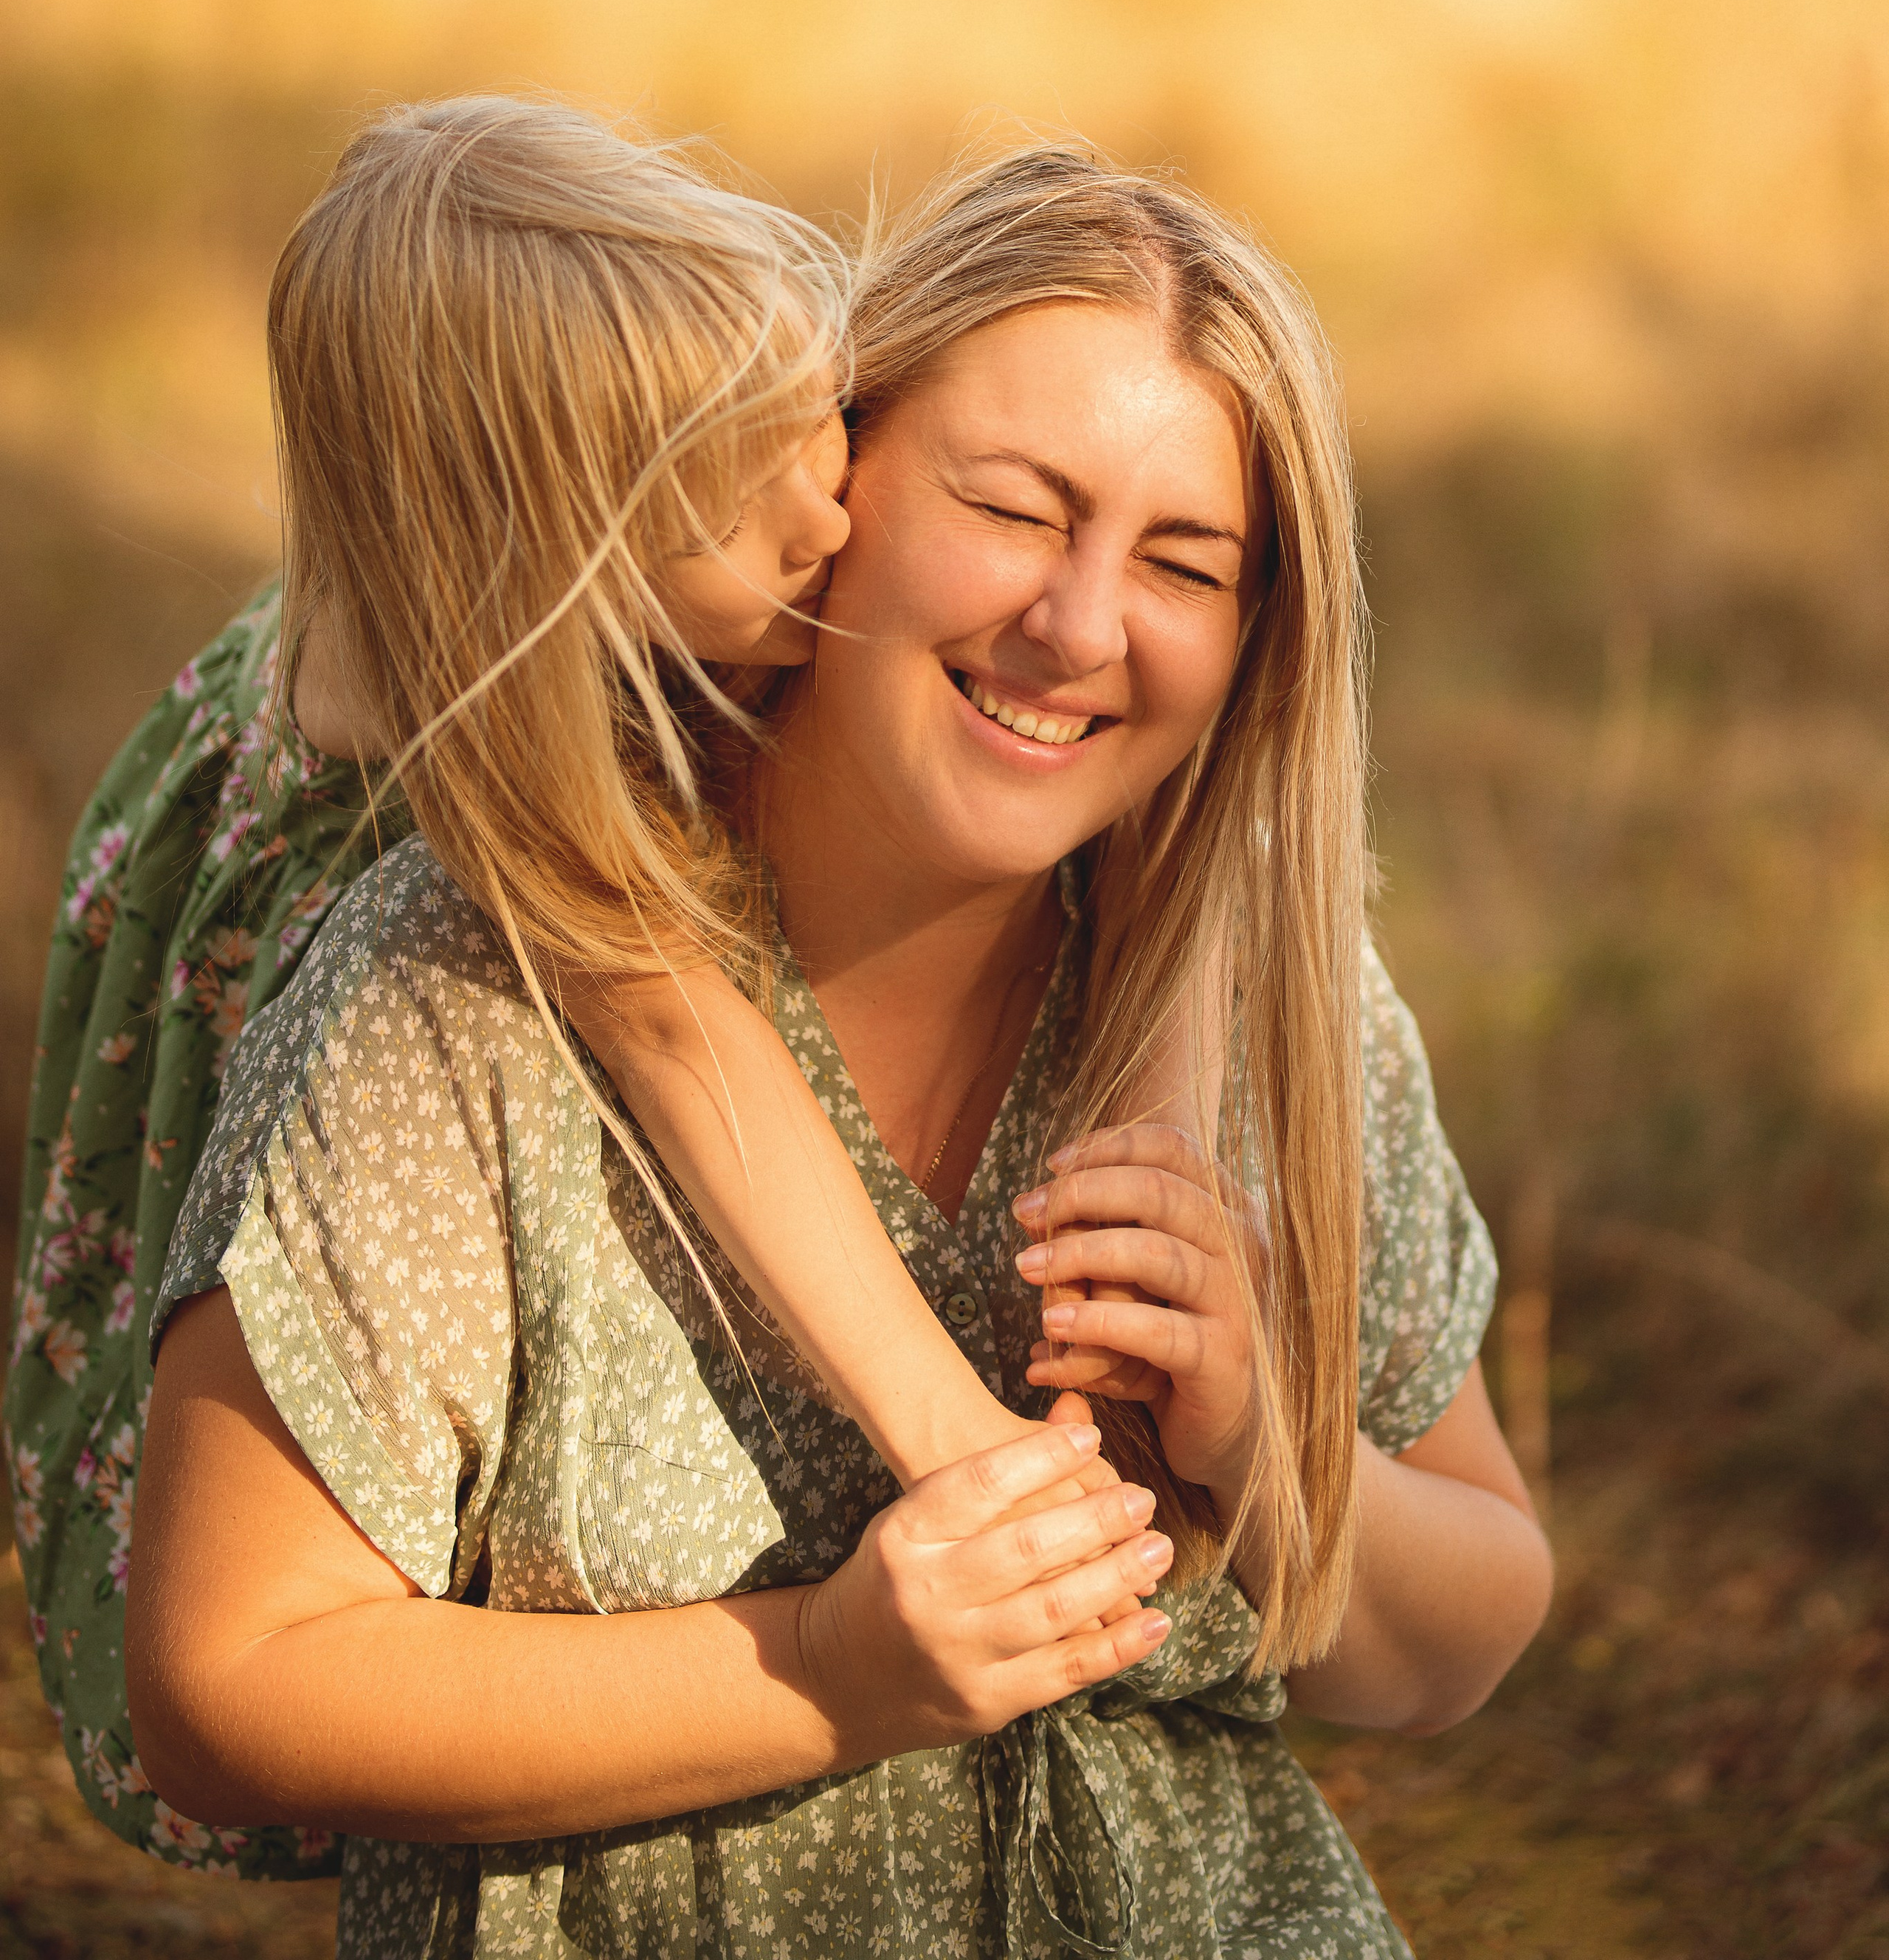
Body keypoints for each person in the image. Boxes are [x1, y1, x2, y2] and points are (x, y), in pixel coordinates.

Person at [125, 141, 1549, 1953]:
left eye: (1183, 561)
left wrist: (1271, 1437)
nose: (1078, 622)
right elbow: (225, 1686)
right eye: (1017, 508)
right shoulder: (469, 986)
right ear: (830, 464)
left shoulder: (1275, 984)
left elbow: (1461, 1638)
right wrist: (823, 1670)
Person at [6, 101, 1156, 1877]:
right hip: (316, 909)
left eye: (818, 430)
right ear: (570, 556)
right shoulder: (467, 762)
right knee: (281, 1390)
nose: (827, 507)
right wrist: (949, 1429)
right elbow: (675, 1023)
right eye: (743, 495)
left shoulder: (597, 492)